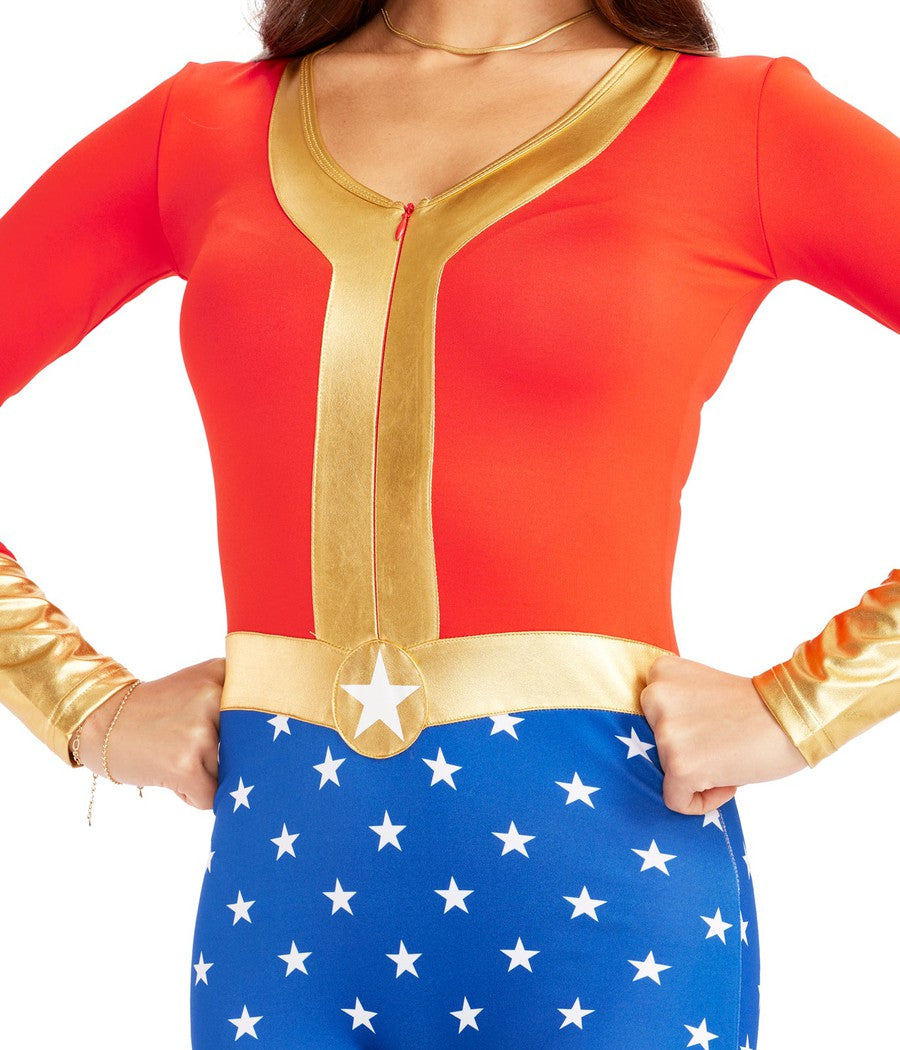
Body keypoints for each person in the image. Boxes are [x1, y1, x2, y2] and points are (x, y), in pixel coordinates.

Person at [1, 0, 897, 1046]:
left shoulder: (743, 124)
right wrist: (79, 703)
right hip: (284, 902)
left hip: (604, 893)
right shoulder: (201, 129)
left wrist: (812, 701)